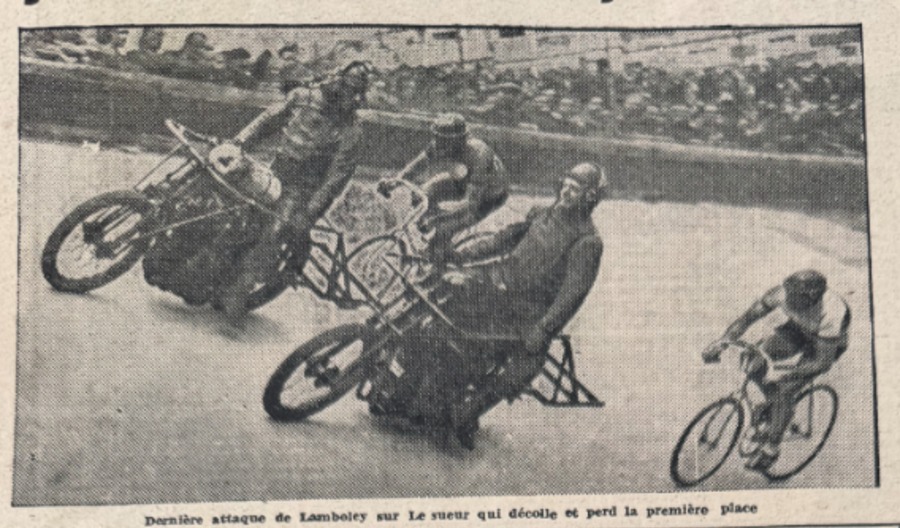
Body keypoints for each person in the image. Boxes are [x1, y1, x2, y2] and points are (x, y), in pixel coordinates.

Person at [429, 162, 608, 449]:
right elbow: (503, 240)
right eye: (566, 184)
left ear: (590, 198)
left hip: (528, 309)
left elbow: (572, 295)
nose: (566, 192)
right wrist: (460, 255)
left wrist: (544, 329)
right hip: (496, 281)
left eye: (576, 189)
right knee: (444, 295)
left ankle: (470, 412)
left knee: (527, 363)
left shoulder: (588, 242)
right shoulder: (541, 213)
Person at [211, 61, 374, 321]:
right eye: (345, 83)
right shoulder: (303, 97)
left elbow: (336, 178)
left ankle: (240, 288)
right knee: (223, 187)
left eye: (355, 90)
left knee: (276, 230)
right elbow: (267, 120)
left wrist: (309, 212)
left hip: (302, 189)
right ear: (337, 77)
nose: (346, 93)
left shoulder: (351, 130)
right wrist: (238, 142)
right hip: (276, 170)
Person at [702, 269, 851, 470]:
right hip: (797, 331)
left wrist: (783, 374)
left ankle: (772, 448)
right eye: (789, 295)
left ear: (813, 298)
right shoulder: (780, 294)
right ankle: (778, 408)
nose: (790, 301)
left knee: (785, 388)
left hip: (824, 346)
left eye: (797, 299)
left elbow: (821, 363)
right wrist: (722, 342)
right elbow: (746, 319)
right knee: (752, 360)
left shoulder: (832, 312)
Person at [377, 113, 509, 260]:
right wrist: (395, 181)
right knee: (422, 195)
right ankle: (432, 241)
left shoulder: (479, 154)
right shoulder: (440, 144)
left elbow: (470, 204)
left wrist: (436, 219)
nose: (439, 146)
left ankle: (442, 261)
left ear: (461, 140)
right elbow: (417, 166)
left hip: (488, 197)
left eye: (445, 142)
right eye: (437, 138)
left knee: (445, 228)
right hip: (461, 181)